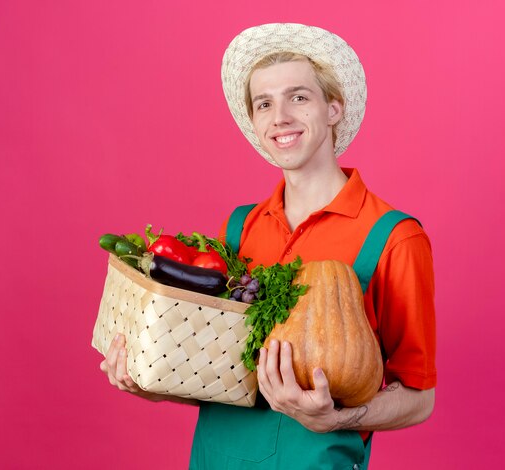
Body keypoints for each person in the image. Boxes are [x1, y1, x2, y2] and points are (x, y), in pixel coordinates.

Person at [101, 23, 436, 469]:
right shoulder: (240, 229)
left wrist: (338, 418)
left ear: (333, 108)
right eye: (264, 103)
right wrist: (149, 380)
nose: (280, 116)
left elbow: (420, 398)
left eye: (298, 97)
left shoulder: (393, 237)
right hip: (214, 458)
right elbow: (221, 374)